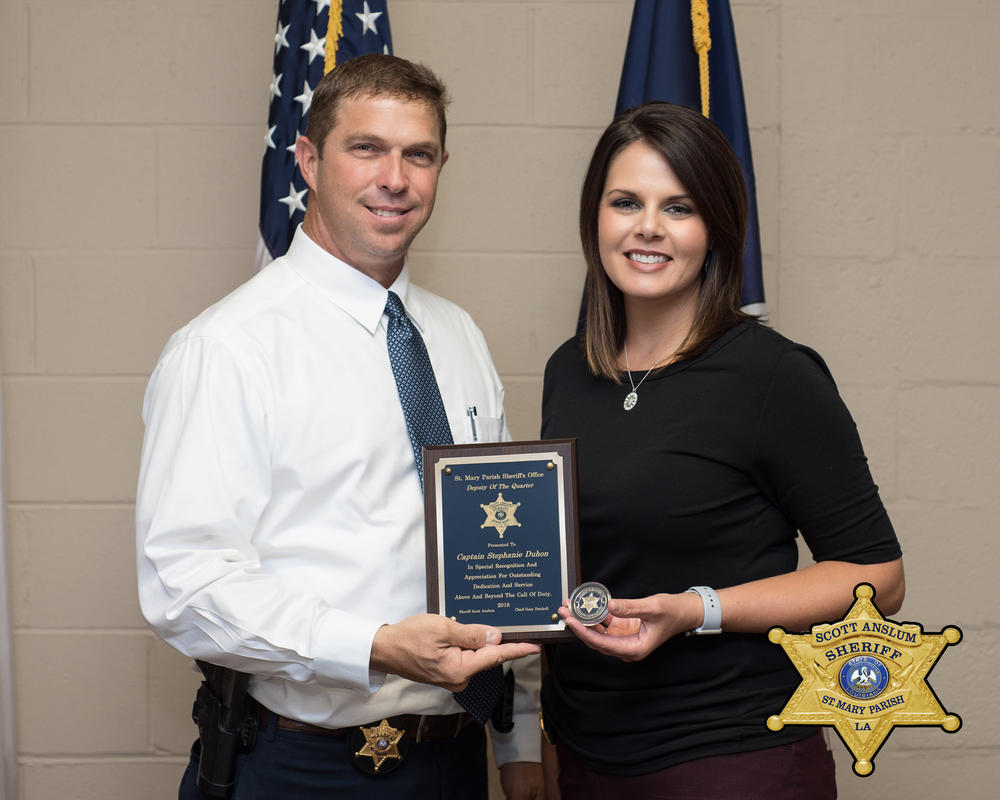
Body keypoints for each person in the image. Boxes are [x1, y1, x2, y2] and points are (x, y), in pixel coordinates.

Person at [136, 54, 543, 800]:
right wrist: (378, 647)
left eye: (418, 154)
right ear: (309, 160)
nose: (395, 178)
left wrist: (519, 740)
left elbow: (502, 557)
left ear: (441, 166)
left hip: (454, 763)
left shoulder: (458, 338)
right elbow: (185, 585)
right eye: (367, 149)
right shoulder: (229, 348)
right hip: (301, 768)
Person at [539, 102, 904, 799]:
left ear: (716, 230)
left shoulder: (774, 375)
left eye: (679, 207)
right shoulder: (569, 371)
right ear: (596, 218)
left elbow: (878, 578)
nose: (648, 227)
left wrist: (694, 608)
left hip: (731, 759)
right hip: (588, 755)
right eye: (626, 202)